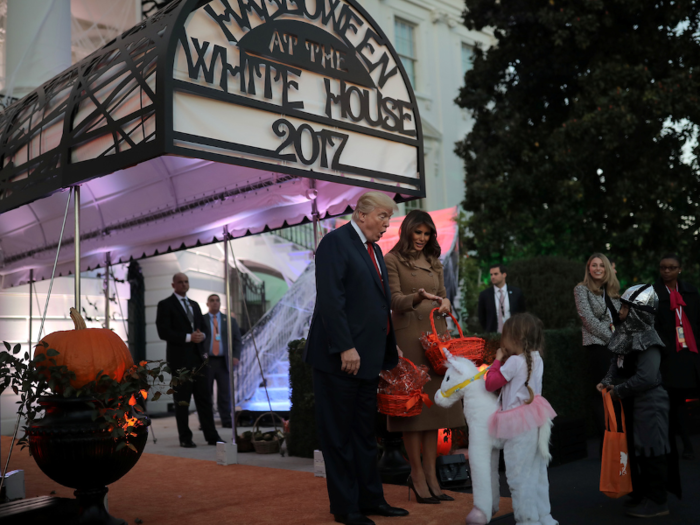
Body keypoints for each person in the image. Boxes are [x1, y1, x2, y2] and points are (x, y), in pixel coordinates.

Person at [303, 192, 408, 525]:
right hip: (339, 359)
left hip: (366, 360)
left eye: (389, 218)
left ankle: (371, 500)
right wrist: (345, 346)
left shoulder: (374, 250)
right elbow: (332, 300)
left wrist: (390, 344)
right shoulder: (335, 243)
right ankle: (346, 508)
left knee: (364, 435)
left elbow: (374, 305)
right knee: (339, 436)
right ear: (362, 215)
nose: (387, 224)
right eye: (382, 216)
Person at [384, 210, 465, 504]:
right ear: (407, 231)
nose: (422, 238)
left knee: (434, 414)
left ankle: (433, 476)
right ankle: (416, 475)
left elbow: (444, 295)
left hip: (435, 340)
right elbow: (393, 301)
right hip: (408, 340)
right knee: (412, 413)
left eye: (426, 233)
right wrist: (417, 297)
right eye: (417, 232)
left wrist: (444, 304)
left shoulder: (434, 262)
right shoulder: (391, 260)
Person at [597, 284, 678, 518]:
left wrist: (618, 390)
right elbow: (618, 360)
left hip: (650, 402)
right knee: (641, 450)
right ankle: (645, 495)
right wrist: (608, 381)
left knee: (652, 450)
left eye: (625, 306)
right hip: (636, 402)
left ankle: (657, 502)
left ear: (637, 312)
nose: (620, 311)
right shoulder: (628, 332)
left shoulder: (648, 338)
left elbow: (647, 377)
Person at [484, 313, 558, 525]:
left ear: (515, 338)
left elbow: (490, 384)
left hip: (516, 426)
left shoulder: (514, 362)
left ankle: (527, 520)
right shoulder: (537, 358)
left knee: (518, 474)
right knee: (537, 472)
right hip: (535, 420)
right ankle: (544, 516)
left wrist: (497, 360)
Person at [156, 273, 222, 448]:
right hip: (180, 362)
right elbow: (163, 332)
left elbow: (204, 327)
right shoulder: (165, 305)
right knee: (182, 401)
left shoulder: (194, 305)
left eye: (186, 282)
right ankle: (185, 437)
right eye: (180, 282)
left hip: (199, 360)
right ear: (173, 285)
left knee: (205, 399)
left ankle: (211, 435)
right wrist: (188, 337)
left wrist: (203, 335)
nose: (184, 284)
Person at [653, 253, 700, 460]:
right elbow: (652, 325)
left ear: (679, 269)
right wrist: (665, 346)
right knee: (675, 400)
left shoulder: (690, 291)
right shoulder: (653, 293)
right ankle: (685, 444)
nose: (667, 271)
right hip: (670, 354)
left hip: (691, 351)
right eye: (663, 267)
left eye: (671, 268)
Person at [573, 253, 620, 448]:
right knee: (602, 393)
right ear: (589, 268)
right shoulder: (581, 290)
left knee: (617, 391)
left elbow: (621, 319)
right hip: (598, 347)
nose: (598, 268)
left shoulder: (613, 291)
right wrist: (614, 339)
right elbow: (589, 320)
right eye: (594, 265)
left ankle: (619, 438)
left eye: (602, 265)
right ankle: (606, 442)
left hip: (617, 349)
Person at [203, 293, 243, 429]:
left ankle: (226, 419)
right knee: (206, 392)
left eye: (217, 301)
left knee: (224, 393)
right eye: (212, 301)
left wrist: (236, 355)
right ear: (207, 304)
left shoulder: (229, 320)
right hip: (206, 362)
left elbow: (237, 339)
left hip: (223, 361)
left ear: (220, 304)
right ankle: (206, 422)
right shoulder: (201, 320)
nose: (215, 303)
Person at [477, 264, 526, 333]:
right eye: (491, 274)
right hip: (493, 335)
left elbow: (522, 313)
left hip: (514, 334)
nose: (493, 277)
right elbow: (482, 317)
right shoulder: (485, 295)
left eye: (496, 274)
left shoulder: (516, 292)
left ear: (504, 275)